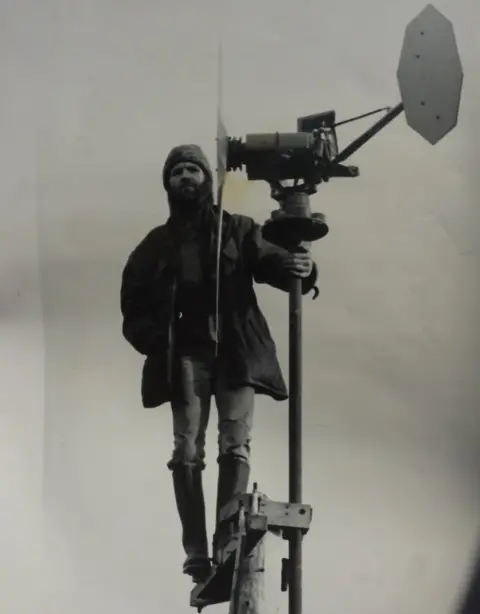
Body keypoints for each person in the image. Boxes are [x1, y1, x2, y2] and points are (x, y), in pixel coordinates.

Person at [120, 144, 318, 583]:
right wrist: (157, 341)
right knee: (186, 449)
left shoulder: (237, 229)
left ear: (207, 180)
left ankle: (227, 535)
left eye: (193, 169)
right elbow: (131, 306)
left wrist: (299, 265)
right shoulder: (153, 247)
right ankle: (195, 552)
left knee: (236, 444)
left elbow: (271, 260)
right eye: (177, 171)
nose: (186, 177)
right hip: (186, 356)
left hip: (235, 353)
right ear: (168, 184)